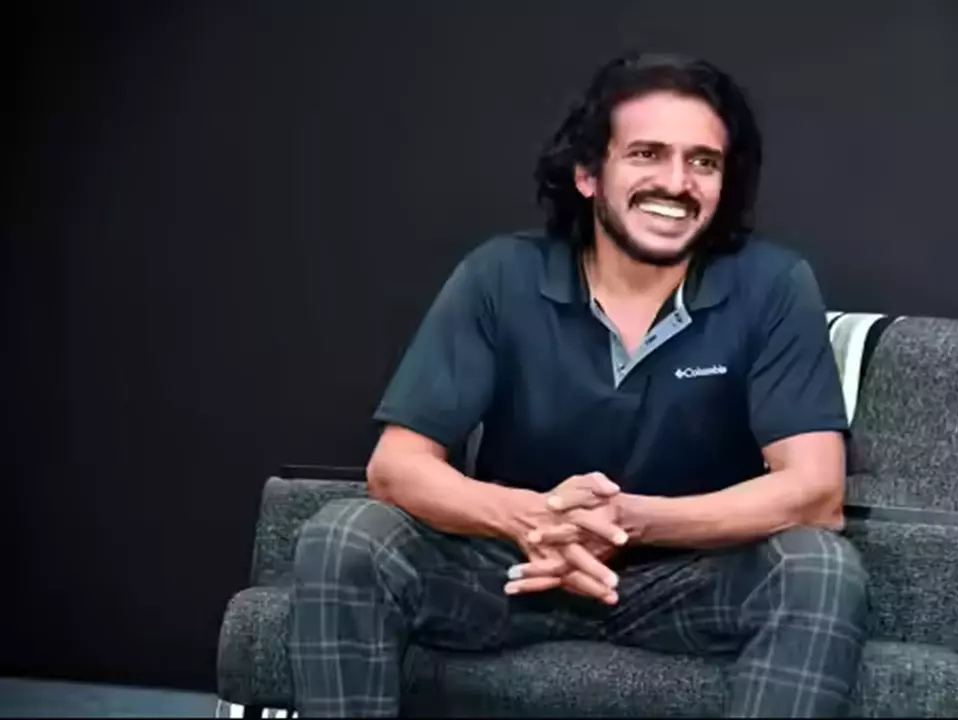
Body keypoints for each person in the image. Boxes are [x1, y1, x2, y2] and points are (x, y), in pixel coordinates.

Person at [289, 51, 868, 718]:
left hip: (682, 581)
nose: (676, 182)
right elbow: (397, 467)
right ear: (589, 173)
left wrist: (634, 521)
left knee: (819, 568)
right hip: (511, 570)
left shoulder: (772, 284)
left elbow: (815, 492)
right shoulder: (499, 275)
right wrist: (531, 518)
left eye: (703, 162)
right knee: (346, 535)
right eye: (647, 154)